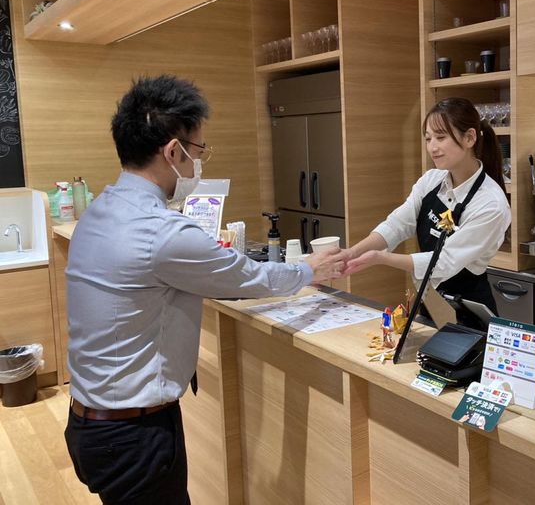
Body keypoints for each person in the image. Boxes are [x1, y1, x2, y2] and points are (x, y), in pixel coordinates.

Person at [64, 75, 344, 504]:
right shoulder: (162, 232)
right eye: (198, 151)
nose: (199, 163)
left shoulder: (100, 210)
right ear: (173, 151)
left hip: (90, 422)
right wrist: (309, 269)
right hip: (133, 435)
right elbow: (248, 277)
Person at [342, 97, 511, 315]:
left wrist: (380, 258)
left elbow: (445, 261)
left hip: (469, 311)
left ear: (469, 138)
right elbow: (397, 225)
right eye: (428, 138)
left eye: (440, 137)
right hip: (430, 301)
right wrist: (352, 252)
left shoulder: (491, 203)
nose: (432, 147)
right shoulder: (432, 180)